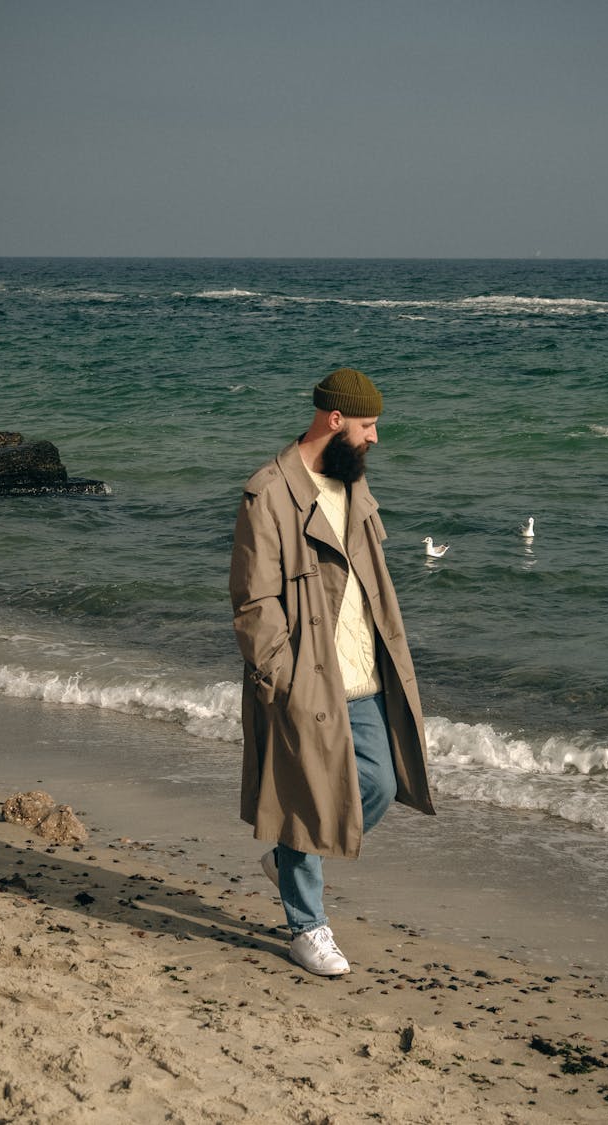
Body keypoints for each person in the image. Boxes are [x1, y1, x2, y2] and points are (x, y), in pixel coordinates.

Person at [229, 367, 435, 976]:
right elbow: (253, 600)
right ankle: (306, 926)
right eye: (368, 426)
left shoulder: (353, 485)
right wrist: (281, 676)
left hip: (365, 671)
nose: (375, 438)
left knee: (378, 782)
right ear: (335, 420)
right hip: (305, 679)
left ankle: (291, 856)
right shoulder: (269, 493)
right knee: (307, 795)